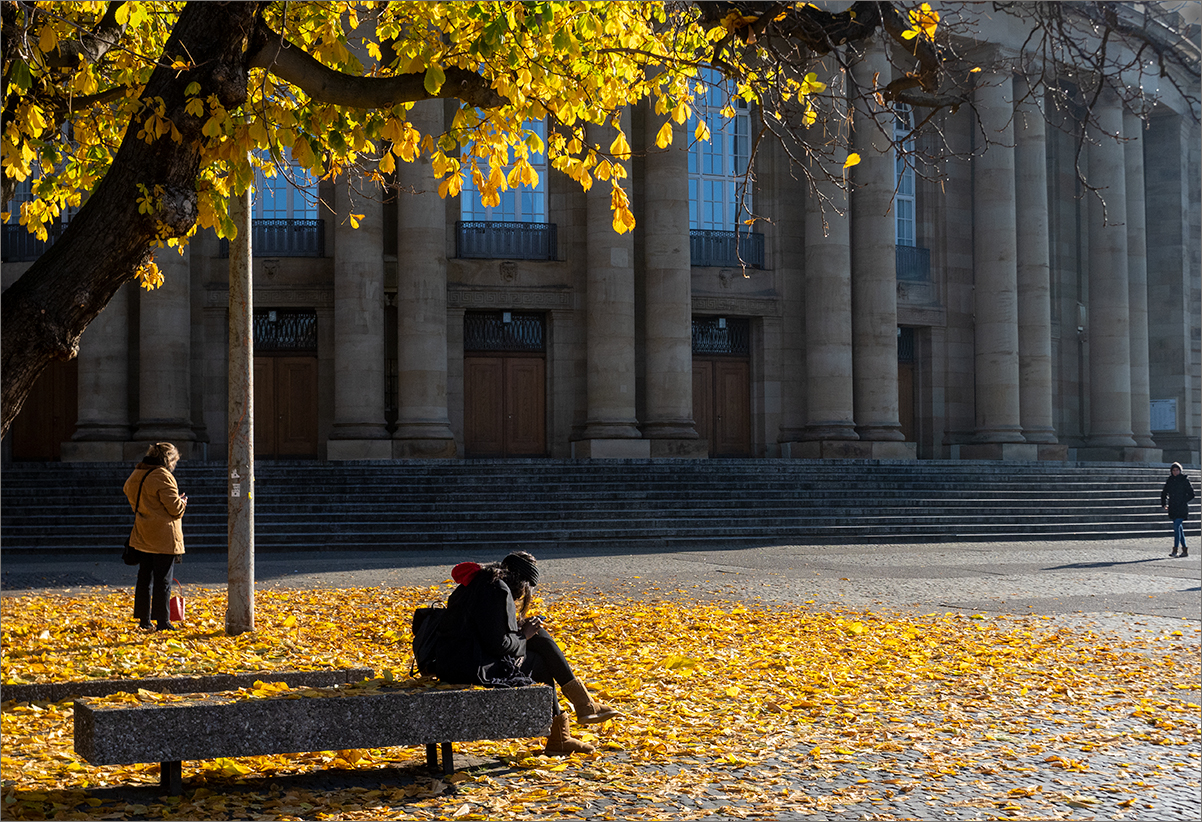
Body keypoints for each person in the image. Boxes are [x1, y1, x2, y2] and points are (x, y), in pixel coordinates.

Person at [432, 551, 620, 755]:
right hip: (471, 667)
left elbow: (485, 630)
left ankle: (576, 714)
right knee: (539, 660)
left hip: (456, 660)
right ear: (522, 582)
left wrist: (522, 630)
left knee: (539, 638)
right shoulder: (497, 590)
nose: (522, 595)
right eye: (525, 589)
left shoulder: (484, 583)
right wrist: (524, 636)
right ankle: (572, 720)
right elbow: (498, 646)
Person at [123, 442, 188, 630]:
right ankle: (163, 621)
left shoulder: (137, 473)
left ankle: (144, 619)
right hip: (163, 536)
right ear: (169, 459)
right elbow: (175, 509)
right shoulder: (162, 476)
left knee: (144, 577)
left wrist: (145, 507)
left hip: (142, 532)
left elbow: (128, 490)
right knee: (163, 580)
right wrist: (182, 502)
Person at [1160, 462, 1195, 558]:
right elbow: (1164, 492)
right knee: (1179, 528)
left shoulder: (1184, 480)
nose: (1175, 472)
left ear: (1180, 470)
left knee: (1176, 527)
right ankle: (1185, 549)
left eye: (1177, 470)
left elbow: (1192, 494)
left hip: (1181, 507)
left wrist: (1183, 501)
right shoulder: (1170, 480)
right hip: (1173, 507)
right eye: (1173, 470)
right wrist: (1164, 503)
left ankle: (1175, 549)